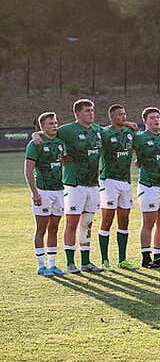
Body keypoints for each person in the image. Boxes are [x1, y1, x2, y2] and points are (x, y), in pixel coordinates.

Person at [58, 99, 105, 273]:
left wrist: (128, 123)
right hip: (74, 184)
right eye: (87, 110)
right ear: (77, 114)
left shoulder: (97, 130)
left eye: (92, 110)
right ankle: (70, 263)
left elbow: (114, 130)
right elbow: (45, 134)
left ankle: (86, 262)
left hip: (93, 184)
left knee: (87, 223)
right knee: (71, 223)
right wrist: (35, 135)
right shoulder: (67, 130)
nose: (91, 113)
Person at [25, 112, 66, 276]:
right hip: (43, 191)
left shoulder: (60, 142)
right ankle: (41, 266)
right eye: (51, 123)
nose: (55, 125)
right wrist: (35, 193)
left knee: (54, 229)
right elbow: (28, 171)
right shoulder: (35, 144)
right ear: (42, 126)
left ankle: (53, 264)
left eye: (56, 122)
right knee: (41, 229)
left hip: (59, 191)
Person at [97, 104, 138, 270]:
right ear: (112, 117)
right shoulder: (105, 133)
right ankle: (104, 259)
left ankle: (122, 259)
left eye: (124, 114)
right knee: (107, 219)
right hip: (109, 181)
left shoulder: (130, 133)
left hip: (126, 181)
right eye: (120, 115)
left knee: (124, 221)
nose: (124, 116)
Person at [133, 107, 160, 268]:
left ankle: (158, 255)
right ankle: (145, 257)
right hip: (149, 186)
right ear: (145, 121)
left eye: (157, 117)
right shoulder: (140, 137)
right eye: (151, 118)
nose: (156, 120)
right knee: (148, 223)